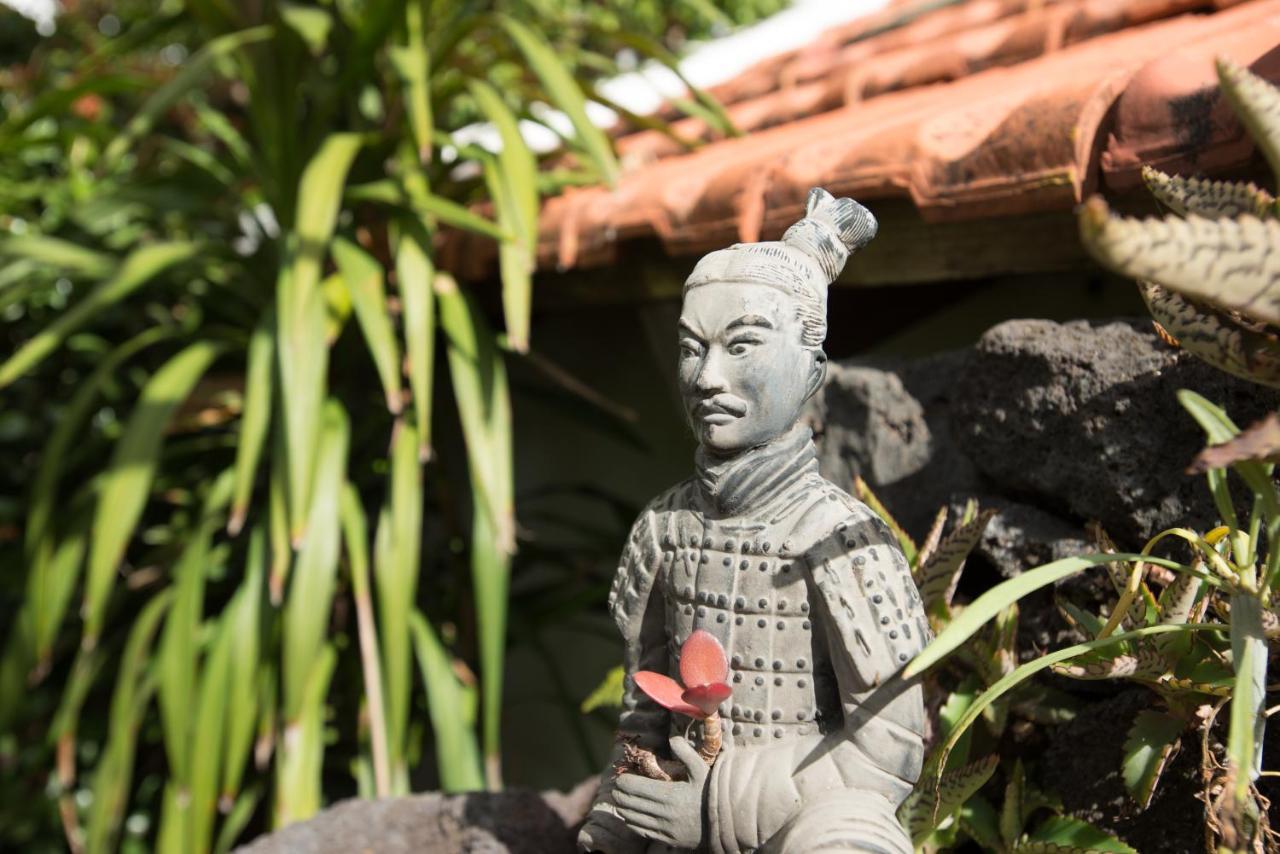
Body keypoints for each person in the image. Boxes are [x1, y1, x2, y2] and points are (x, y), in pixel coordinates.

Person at [578, 188, 930, 854]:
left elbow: (888, 758)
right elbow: (643, 717)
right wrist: (617, 813)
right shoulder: (663, 529)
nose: (707, 377)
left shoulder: (842, 540)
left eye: (741, 346)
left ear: (812, 370)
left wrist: (718, 808)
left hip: (805, 827)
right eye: (690, 348)